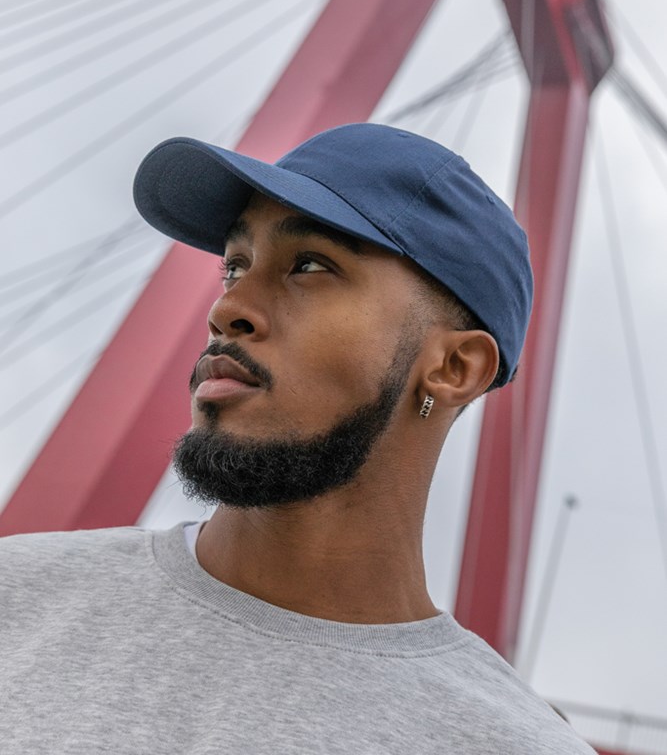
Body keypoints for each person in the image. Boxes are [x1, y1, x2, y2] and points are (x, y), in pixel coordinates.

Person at [0, 123, 595, 754]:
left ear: (454, 368)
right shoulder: (18, 599)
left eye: (308, 265)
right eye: (234, 266)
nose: (226, 309)